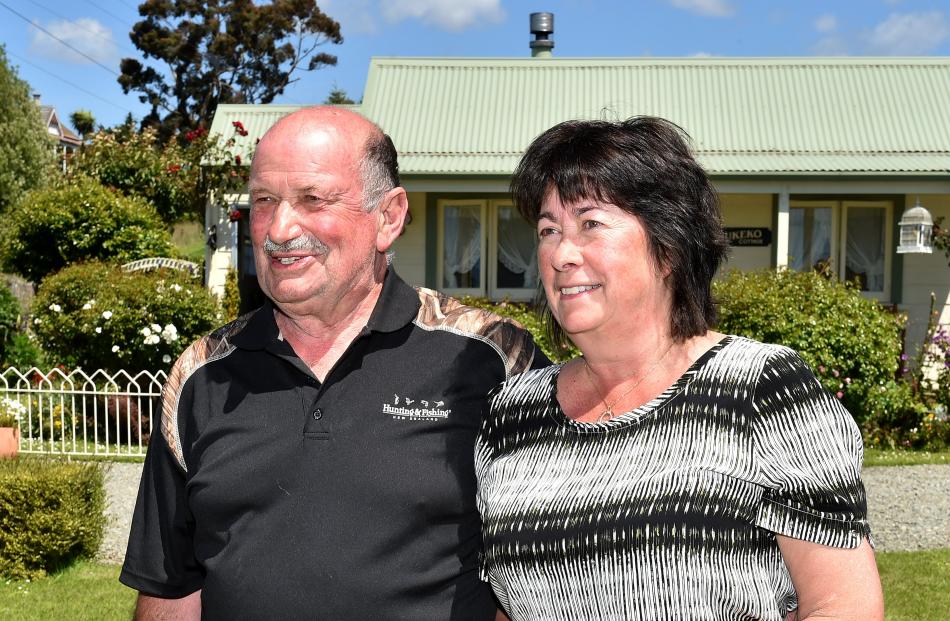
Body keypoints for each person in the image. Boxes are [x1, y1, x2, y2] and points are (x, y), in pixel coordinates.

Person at [120, 106, 547, 620]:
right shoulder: (202, 374)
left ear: (388, 217)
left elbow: (547, 572)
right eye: (263, 201)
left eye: (312, 199)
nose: (279, 228)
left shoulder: (492, 358)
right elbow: (171, 588)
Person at [475, 117, 884, 621]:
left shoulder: (763, 390)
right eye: (548, 229)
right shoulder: (513, 412)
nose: (561, 254)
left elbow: (841, 605)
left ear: (667, 247)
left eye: (591, 224)